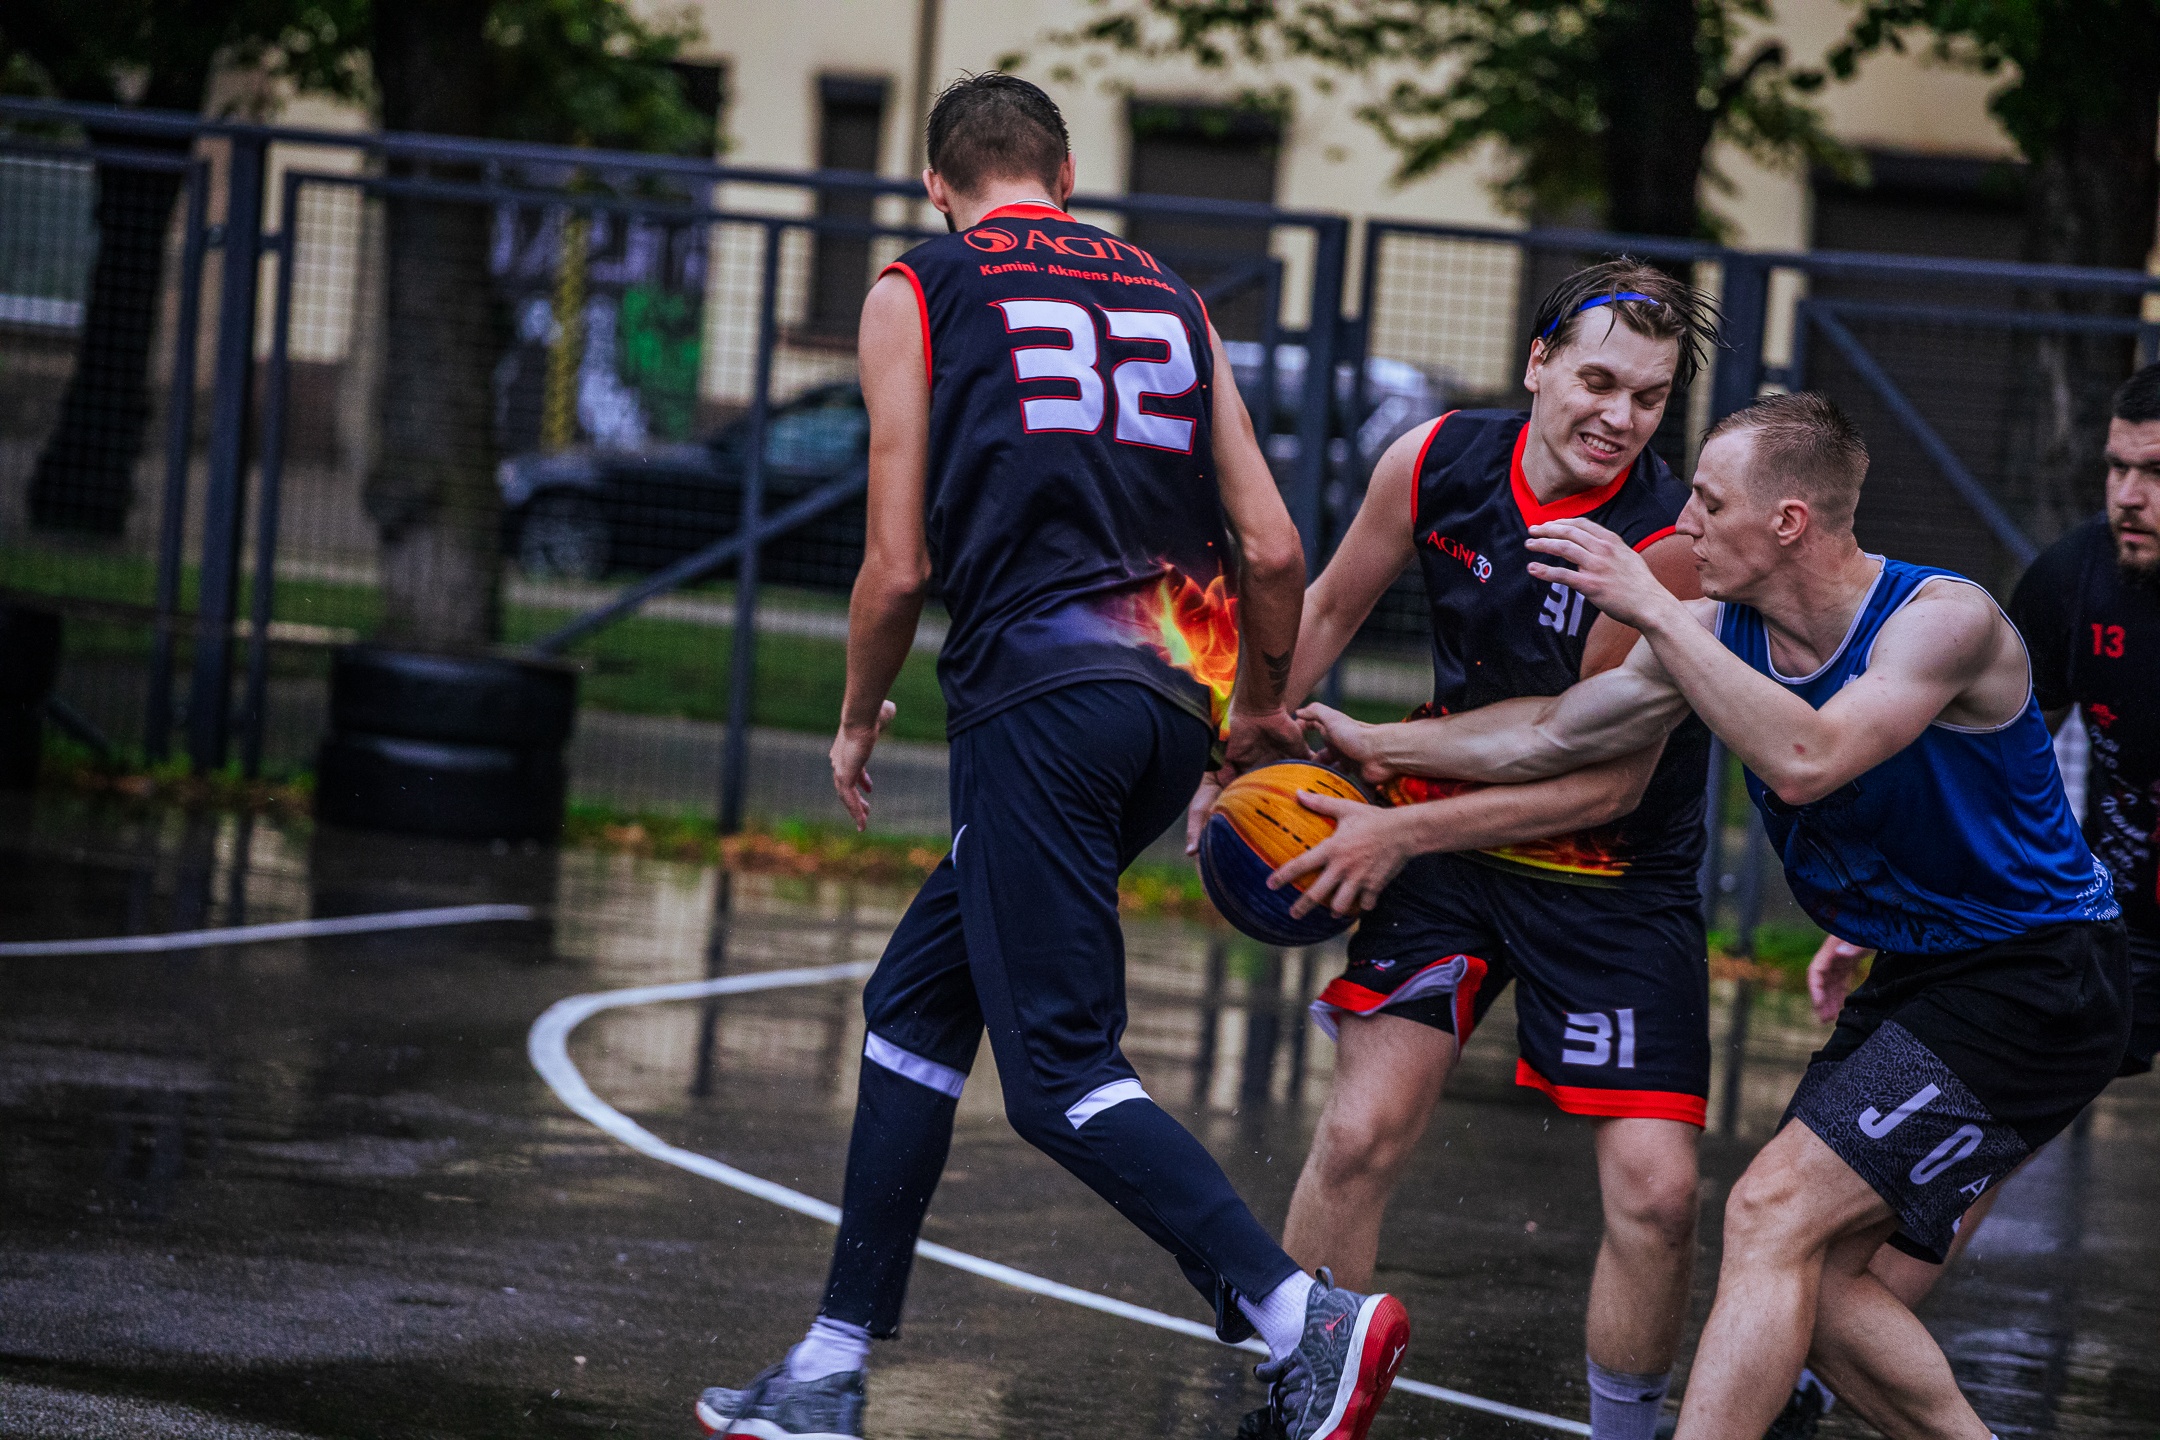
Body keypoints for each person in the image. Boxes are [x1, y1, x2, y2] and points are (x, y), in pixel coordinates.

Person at [690, 74, 1409, 1440]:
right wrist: (1256, 712)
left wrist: (855, 714)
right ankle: (829, 1364)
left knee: (1062, 1072)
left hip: (1037, 707)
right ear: (1066, 176)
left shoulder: (920, 285)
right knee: (915, 1010)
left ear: (935, 184)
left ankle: (1295, 1315)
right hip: (1170, 709)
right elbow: (1272, 550)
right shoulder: (1174, 296)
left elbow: (897, 564)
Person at [1311, 391, 2129, 1438]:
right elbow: (1558, 733)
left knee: (1768, 1214)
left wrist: (1653, 609)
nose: (1684, 521)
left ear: (1788, 521)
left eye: (1708, 501)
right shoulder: (1714, 629)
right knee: (1813, 1290)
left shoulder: (1941, 621)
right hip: (1923, 973)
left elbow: (1808, 758)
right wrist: (1379, 744)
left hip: (2037, 975)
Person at [1208, 259, 1722, 1440]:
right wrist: (1238, 749)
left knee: (1659, 1196)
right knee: (1357, 1135)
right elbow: (1327, 609)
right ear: (1538, 363)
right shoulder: (1435, 459)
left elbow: (1600, 774)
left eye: (1649, 398)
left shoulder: (1667, 544)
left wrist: (1396, 820)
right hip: (1444, 852)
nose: (1620, 416)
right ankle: (1303, 1399)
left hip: (1611, 874)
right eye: (1598, 381)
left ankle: (1625, 1431)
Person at [1758, 360, 2160, 1439]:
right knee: (1966, 1152)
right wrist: (1882, 914)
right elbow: (1982, 772)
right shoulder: (2074, 580)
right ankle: (1813, 1366)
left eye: (2157, 474)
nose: (2130, 495)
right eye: (2118, 467)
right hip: (2099, 927)